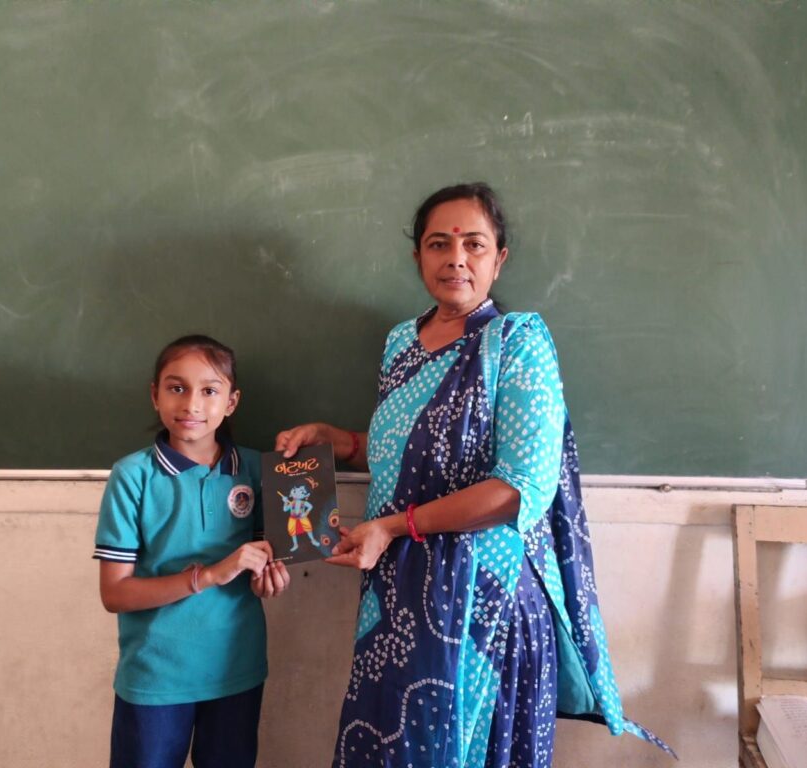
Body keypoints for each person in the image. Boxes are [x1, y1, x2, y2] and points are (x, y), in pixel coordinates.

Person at [276, 183, 673, 767]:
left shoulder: (518, 343)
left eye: (474, 244)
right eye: (439, 244)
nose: (455, 258)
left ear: (498, 258)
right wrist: (339, 442)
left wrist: (394, 526)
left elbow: (520, 489)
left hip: (484, 599)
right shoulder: (400, 343)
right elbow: (409, 453)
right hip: (398, 593)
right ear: (418, 256)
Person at [94, 334, 290, 768]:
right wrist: (209, 575)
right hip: (156, 674)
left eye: (209, 390)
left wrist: (268, 581)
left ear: (232, 402)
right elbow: (115, 594)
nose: (191, 404)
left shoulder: (259, 470)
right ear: (155, 395)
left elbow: (264, 566)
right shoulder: (133, 476)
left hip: (235, 668)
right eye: (177, 388)